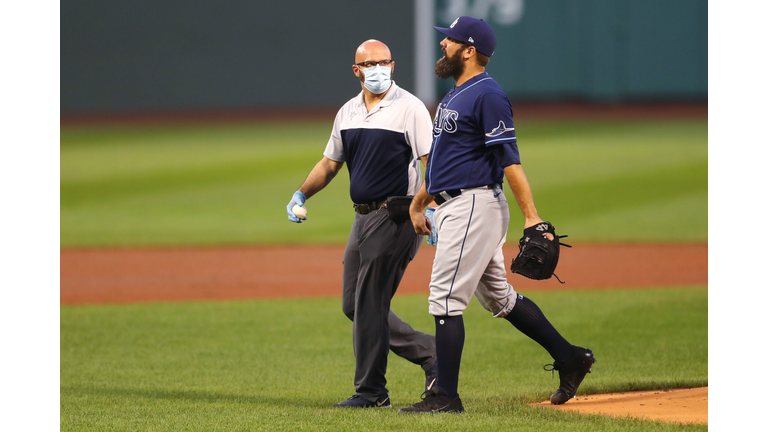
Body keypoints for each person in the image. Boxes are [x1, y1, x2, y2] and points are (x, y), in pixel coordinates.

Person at [398, 17, 596, 414]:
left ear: (469, 50)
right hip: (455, 203)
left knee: (446, 298)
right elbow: (442, 161)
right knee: (499, 298)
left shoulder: (488, 95)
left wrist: (532, 217)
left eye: (450, 41)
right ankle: (570, 357)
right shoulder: (456, 94)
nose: (443, 46)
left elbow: (510, 160)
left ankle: (444, 398)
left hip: (474, 206)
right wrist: (420, 201)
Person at [286, 39, 438, 408]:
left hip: (397, 214)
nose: (377, 69)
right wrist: (302, 193)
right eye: (369, 64)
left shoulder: (410, 108)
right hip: (363, 217)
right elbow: (329, 163)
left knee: (370, 303)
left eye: (383, 62)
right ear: (356, 71)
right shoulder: (348, 112)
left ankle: (371, 392)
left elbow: (433, 163)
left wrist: (425, 206)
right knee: (354, 304)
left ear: (393, 65)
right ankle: (433, 353)